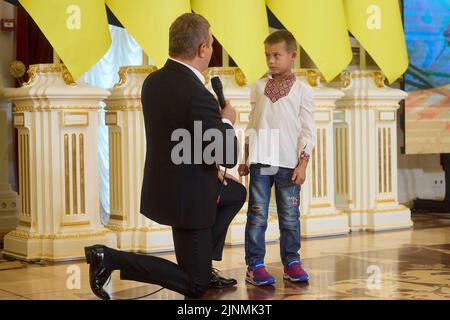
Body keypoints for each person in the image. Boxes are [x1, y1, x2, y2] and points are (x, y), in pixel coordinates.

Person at [84, 13, 246, 300]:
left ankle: (203, 263)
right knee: (195, 286)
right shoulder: (198, 94)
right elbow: (226, 155)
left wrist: (212, 169)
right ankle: (109, 258)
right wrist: (227, 122)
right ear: (201, 49)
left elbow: (179, 136)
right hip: (189, 197)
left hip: (166, 187)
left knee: (234, 193)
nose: (211, 49)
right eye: (210, 44)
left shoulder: (154, 82)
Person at [238, 30, 315, 286]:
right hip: (261, 160)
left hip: (289, 162)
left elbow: (308, 129)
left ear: (292, 56)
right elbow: (252, 123)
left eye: (276, 55)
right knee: (257, 214)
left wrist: (303, 163)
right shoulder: (258, 87)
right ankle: (255, 265)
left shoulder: (303, 91)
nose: (271, 61)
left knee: (290, 216)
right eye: (267, 56)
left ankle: (292, 262)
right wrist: (245, 157)